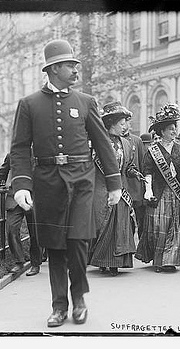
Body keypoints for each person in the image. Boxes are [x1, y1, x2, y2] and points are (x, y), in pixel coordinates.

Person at [9, 39, 122, 327]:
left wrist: (114, 183)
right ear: (54, 68)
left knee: (78, 242)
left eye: (75, 65)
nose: (75, 69)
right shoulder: (28, 104)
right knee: (56, 247)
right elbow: (20, 148)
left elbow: (102, 142)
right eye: (70, 65)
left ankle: (79, 298)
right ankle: (59, 306)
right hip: (47, 184)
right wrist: (21, 184)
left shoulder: (86, 102)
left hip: (82, 181)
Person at [135, 103, 180, 273]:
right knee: (158, 226)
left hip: (176, 195)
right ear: (162, 131)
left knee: (174, 226)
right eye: (171, 128)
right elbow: (148, 172)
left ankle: (171, 260)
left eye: (175, 128)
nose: (174, 131)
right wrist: (148, 190)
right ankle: (159, 261)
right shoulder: (152, 151)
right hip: (159, 193)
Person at [89, 102, 137, 276]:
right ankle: (102, 261)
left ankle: (116, 262)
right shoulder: (98, 143)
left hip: (121, 190)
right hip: (102, 189)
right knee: (103, 224)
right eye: (122, 123)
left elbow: (127, 166)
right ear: (111, 123)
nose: (125, 126)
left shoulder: (125, 143)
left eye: (125, 123)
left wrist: (134, 172)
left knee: (121, 226)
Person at [0, 154, 43, 276]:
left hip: (35, 198)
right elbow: (3, 173)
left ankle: (35, 264)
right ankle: (19, 261)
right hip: (15, 199)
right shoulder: (12, 155)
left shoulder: (41, 153)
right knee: (11, 229)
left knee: (35, 233)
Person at [123, 117, 146, 239]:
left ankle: (142, 244)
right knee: (126, 220)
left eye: (125, 122)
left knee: (141, 218)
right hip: (123, 186)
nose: (124, 125)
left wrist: (145, 188)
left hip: (136, 187)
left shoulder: (137, 141)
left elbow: (142, 165)